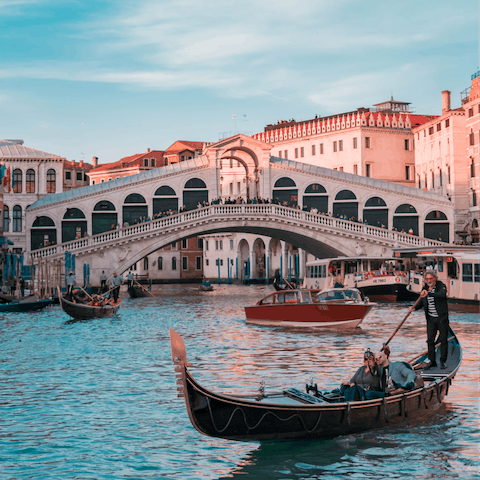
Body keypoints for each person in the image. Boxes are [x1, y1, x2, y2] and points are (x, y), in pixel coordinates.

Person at [408, 271, 449, 370]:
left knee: (443, 340)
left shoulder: (441, 286)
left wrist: (429, 293)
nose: (429, 281)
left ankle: (443, 361)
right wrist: (414, 308)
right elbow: (422, 301)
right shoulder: (425, 289)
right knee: (430, 340)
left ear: (435, 278)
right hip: (431, 319)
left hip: (442, 319)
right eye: (427, 279)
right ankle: (432, 361)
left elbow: (441, 295)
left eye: (431, 279)